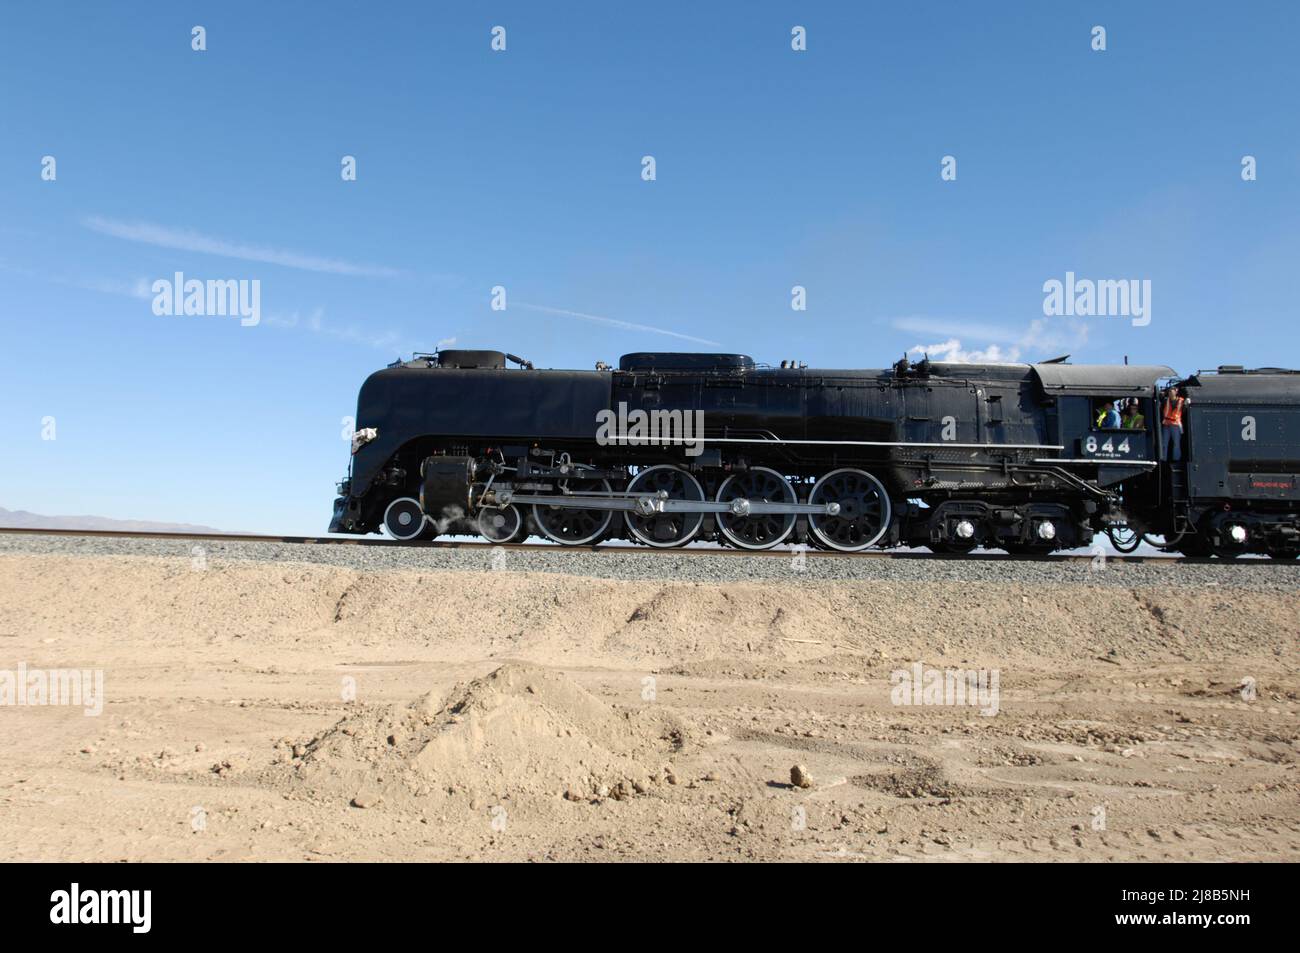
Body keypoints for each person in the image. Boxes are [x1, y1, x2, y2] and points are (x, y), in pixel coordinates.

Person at [1161, 386, 1189, 461]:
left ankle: (1176, 459)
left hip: (1175, 424)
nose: (1170, 392)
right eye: (1169, 391)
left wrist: (1186, 403)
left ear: (1176, 392)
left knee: (1176, 444)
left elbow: (1184, 410)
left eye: (1171, 391)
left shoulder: (1181, 401)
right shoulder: (1165, 400)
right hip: (1166, 424)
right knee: (1164, 443)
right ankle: (1163, 459)